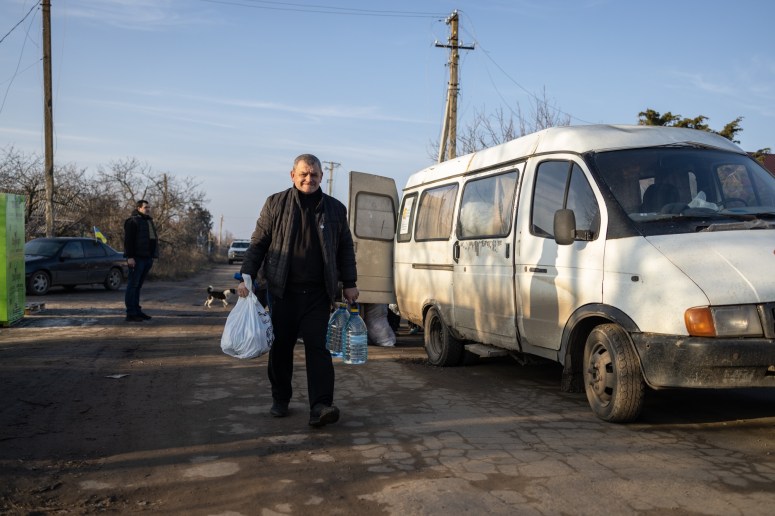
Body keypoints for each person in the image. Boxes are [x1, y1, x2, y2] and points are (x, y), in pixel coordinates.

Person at [237, 154, 358, 428]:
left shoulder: (335, 209)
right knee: (281, 348)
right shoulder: (276, 203)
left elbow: (345, 249)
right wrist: (247, 277)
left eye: (314, 174)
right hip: (282, 292)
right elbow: (258, 243)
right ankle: (280, 398)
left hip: (317, 294)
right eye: (304, 174)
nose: (309, 178)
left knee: (319, 349)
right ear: (293, 175)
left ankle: (321, 406)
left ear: (321, 177)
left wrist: (349, 283)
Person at [123, 199, 158, 322]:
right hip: (136, 258)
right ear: (139, 208)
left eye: (149, 207)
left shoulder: (148, 221)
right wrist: (130, 257)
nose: (148, 209)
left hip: (147, 258)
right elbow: (128, 241)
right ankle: (131, 313)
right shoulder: (132, 221)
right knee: (133, 285)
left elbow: (152, 239)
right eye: (145, 207)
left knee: (138, 286)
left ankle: (137, 310)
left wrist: (153, 256)